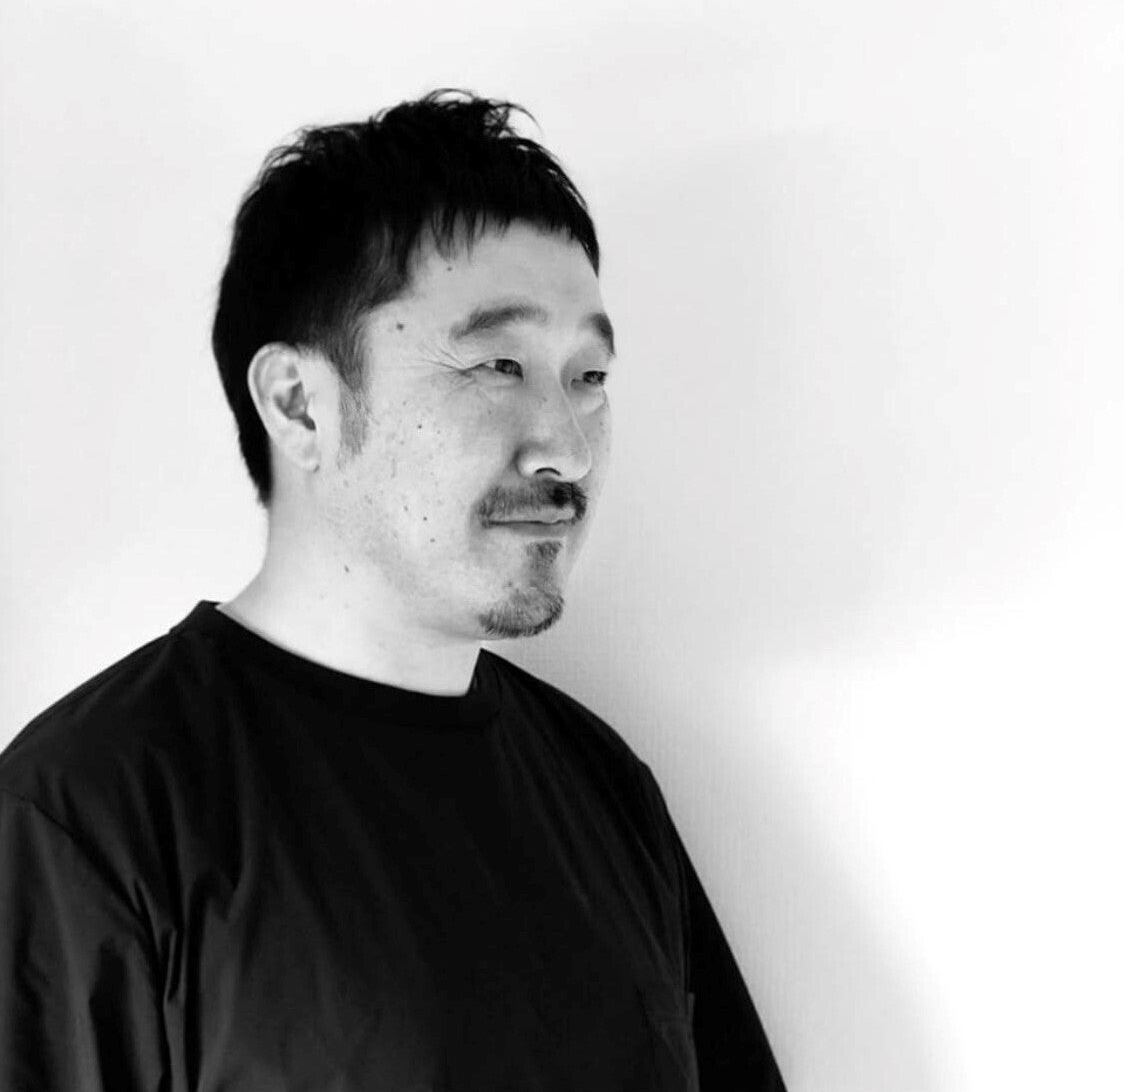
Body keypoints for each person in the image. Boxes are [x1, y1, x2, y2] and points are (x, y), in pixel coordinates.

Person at [0, 90, 786, 1090]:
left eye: (588, 376)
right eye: (498, 363)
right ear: (300, 405)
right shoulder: (83, 819)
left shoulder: (603, 786)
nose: (567, 447)